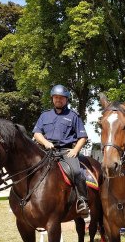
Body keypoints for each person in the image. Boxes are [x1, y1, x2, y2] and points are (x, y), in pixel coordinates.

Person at [33, 84, 89, 216]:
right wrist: (46, 143)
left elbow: (83, 137)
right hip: (47, 151)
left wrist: (75, 150)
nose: (58, 100)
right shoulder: (44, 116)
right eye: (56, 97)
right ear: (52, 98)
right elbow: (37, 133)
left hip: (66, 151)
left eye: (61, 98)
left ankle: (82, 201)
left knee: (77, 172)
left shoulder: (73, 116)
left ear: (66, 100)